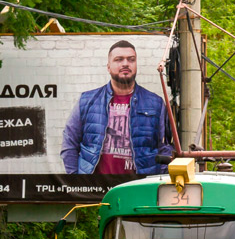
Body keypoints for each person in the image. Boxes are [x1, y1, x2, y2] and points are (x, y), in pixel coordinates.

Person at [60, 41, 171, 175]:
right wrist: (77, 181)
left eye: (131, 60)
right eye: (118, 60)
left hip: (139, 188)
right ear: (108, 66)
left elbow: (166, 149)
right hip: (95, 189)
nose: (125, 63)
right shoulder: (87, 101)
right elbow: (69, 143)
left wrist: (156, 182)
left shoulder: (156, 103)